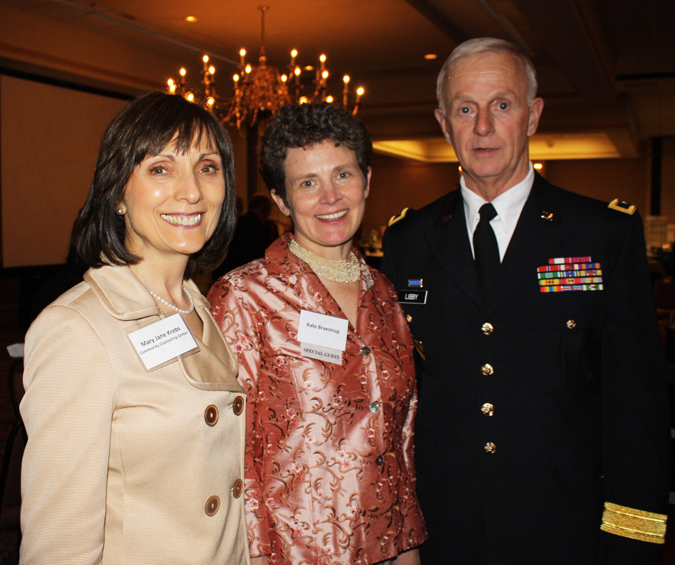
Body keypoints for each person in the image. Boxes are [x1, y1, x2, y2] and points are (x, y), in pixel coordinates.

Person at [381, 38, 672, 564]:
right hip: (444, 530)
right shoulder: (409, 240)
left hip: (566, 530)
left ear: (533, 116)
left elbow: (637, 407)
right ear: (444, 124)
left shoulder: (601, 234)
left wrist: (633, 541)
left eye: (502, 105)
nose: (483, 126)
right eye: (465, 109)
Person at [20, 92, 249, 564]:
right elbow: (58, 544)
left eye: (207, 167)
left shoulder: (204, 308)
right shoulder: (76, 330)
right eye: (160, 169)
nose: (191, 191)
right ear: (118, 191)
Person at [208, 102, 426, 565]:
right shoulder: (245, 297)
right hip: (293, 554)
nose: (331, 197)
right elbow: (228, 454)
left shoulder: (385, 296)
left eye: (342, 175)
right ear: (283, 200)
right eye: (308, 183)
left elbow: (400, 440)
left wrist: (407, 549)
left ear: (366, 180)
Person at [212, 193, 278, 279]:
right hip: (249, 273)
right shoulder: (260, 226)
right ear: (264, 207)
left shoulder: (239, 223)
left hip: (232, 272)